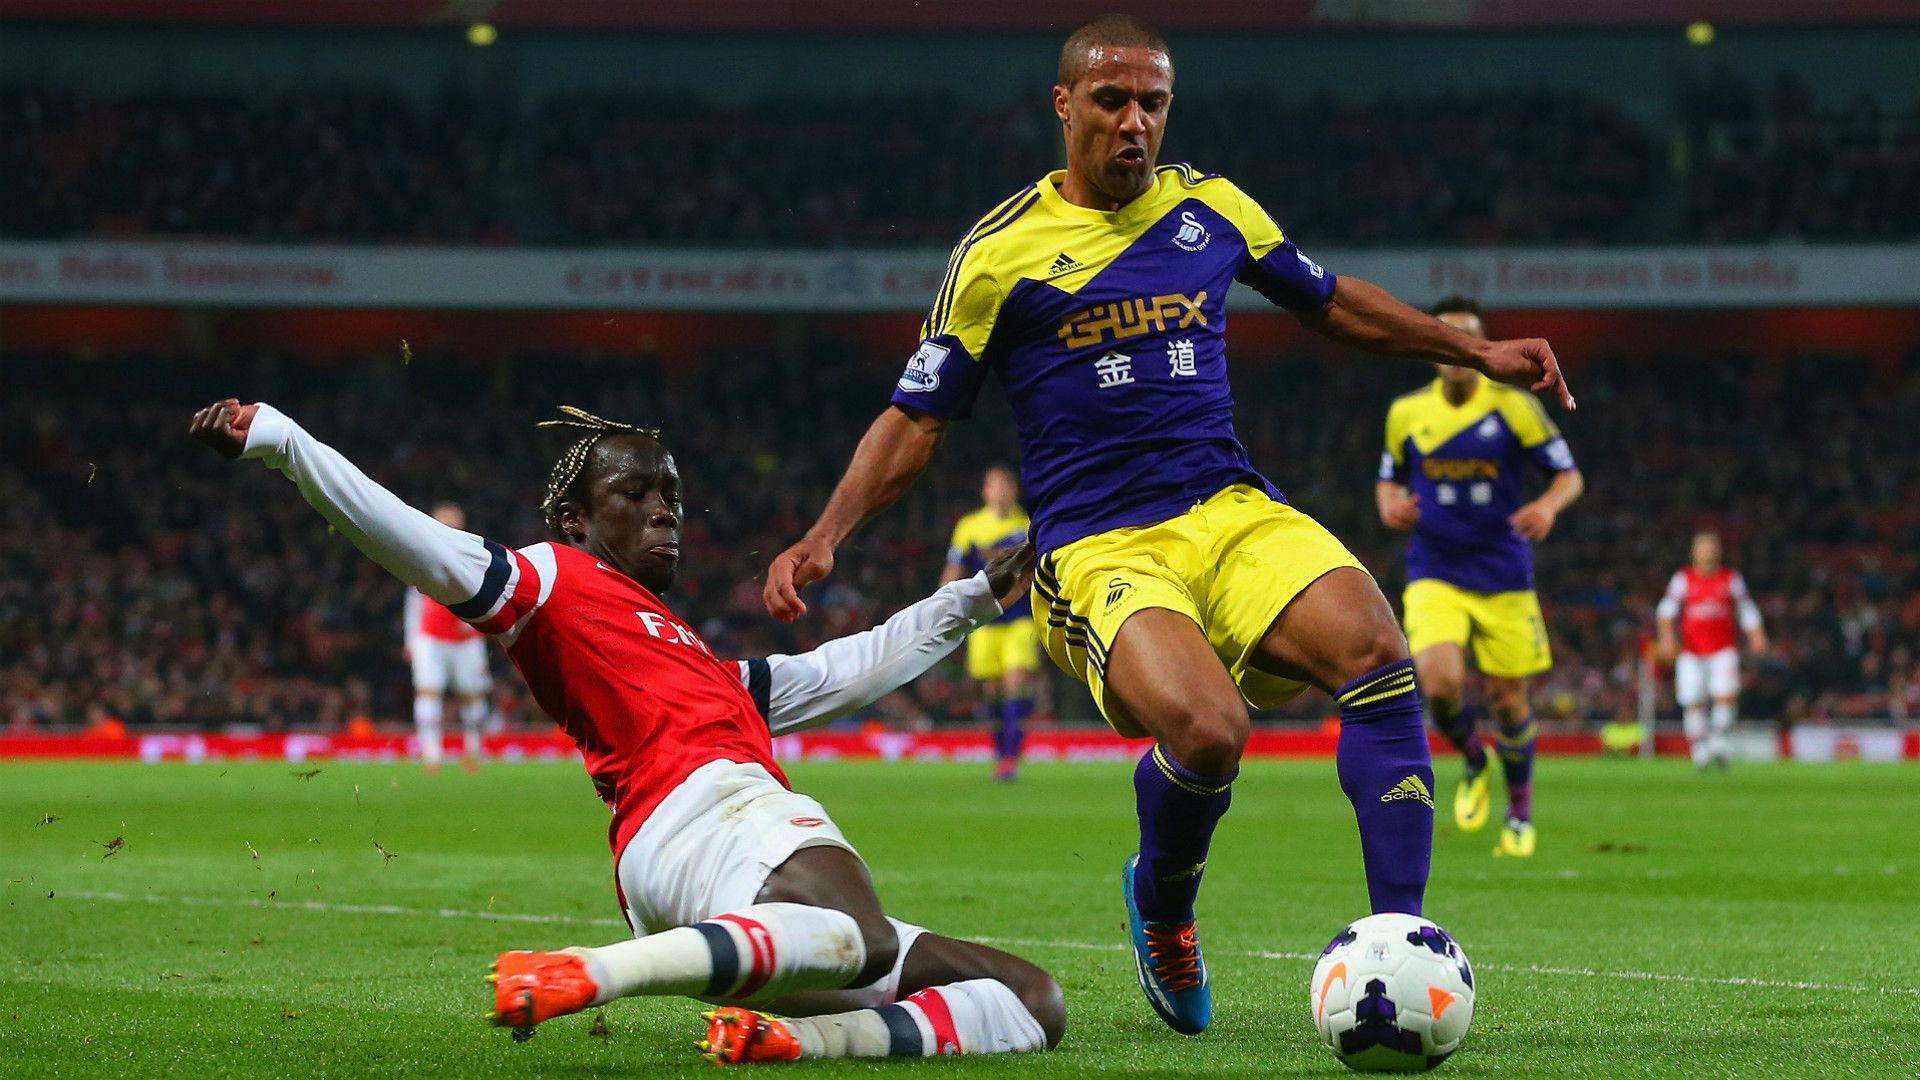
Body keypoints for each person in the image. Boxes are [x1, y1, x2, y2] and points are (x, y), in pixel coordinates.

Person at [761, 14, 1574, 1037]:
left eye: (1152, 102)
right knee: (1207, 730)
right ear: (1064, 107)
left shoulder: (1211, 207)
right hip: (1100, 543)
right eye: (1111, 101)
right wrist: (828, 532)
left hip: (1229, 508)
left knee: (1376, 650)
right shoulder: (998, 253)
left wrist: (1482, 352)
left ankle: (1397, 944)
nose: (1134, 122)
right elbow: (920, 415)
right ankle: (1163, 903)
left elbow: (1328, 304)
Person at [187, 399, 1063, 1064]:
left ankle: (807, 1043)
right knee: (860, 933)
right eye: (635, 493)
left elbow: (843, 669)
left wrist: (972, 599)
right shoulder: (549, 580)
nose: (664, 511)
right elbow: (405, 534)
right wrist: (280, 438)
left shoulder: (695, 658)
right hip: (707, 808)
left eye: (672, 495)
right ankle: (593, 970)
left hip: (687, 864)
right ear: (575, 518)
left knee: (1032, 1000)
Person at [1376, 296, 1584, 858]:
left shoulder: (1514, 408)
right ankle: (1473, 758)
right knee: (1439, 683)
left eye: (1468, 334)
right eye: (1445, 335)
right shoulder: (1407, 414)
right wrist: (1390, 504)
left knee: (1508, 699)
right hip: (1434, 568)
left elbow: (1568, 476)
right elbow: (1389, 479)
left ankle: (1519, 816)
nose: (1456, 347)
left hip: (1503, 573)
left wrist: (1547, 507)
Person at [939, 466, 1040, 781]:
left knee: (1016, 680)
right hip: (984, 619)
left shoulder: (1027, 526)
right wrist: (941, 604)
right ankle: (1002, 754)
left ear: (1014, 491)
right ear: (986, 492)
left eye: (1006, 485)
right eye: (995, 486)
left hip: (1021, 618)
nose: (1001, 491)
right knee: (993, 690)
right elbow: (954, 567)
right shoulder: (970, 527)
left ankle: (1010, 759)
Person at [1655, 531, 1767, 771]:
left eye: (1711, 547)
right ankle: (1699, 751)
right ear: (1693, 552)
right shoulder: (1684, 579)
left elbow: (1746, 608)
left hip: (1723, 649)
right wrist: (1666, 638)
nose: (1708, 552)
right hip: (1691, 651)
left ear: (1719, 551)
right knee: (1693, 700)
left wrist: (1756, 634)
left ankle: (1718, 743)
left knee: (1725, 696)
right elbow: (1666, 611)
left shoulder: (1730, 578)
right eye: (1703, 548)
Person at [404, 501, 494, 773]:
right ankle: (432, 756)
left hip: (466, 639)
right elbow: (414, 599)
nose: (448, 526)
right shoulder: (422, 555)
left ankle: (473, 753)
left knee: (473, 697)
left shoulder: (474, 551)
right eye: (443, 521)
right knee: (428, 692)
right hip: (430, 637)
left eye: (452, 521)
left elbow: (487, 590)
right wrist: (410, 639)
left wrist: (480, 621)